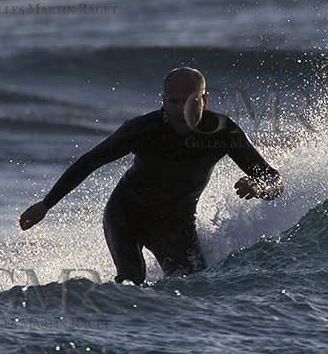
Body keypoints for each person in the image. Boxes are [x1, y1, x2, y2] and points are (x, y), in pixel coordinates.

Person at [18, 67, 284, 284]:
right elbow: (89, 162)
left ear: (204, 100)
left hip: (176, 225)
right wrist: (47, 204)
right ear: (163, 101)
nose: (181, 109)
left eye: (189, 101)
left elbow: (275, 181)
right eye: (173, 101)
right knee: (132, 280)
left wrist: (260, 187)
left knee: (194, 285)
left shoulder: (223, 132)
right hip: (126, 215)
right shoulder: (143, 129)